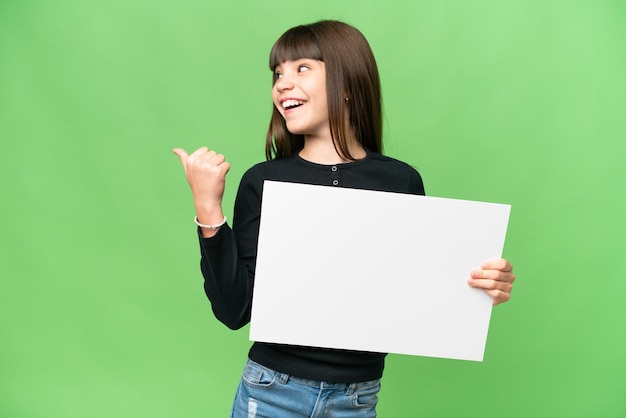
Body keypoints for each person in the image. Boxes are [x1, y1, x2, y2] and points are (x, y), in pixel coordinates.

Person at [173, 20, 515, 418]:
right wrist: (208, 208)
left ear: (349, 84)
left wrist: (481, 285)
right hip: (271, 392)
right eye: (277, 73)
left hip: (357, 398)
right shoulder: (262, 181)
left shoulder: (399, 180)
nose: (282, 83)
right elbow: (234, 311)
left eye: (301, 68)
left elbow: (411, 288)